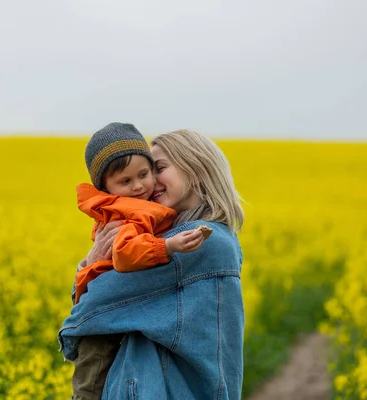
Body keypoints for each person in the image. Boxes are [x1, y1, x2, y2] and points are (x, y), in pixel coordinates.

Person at [59, 129, 246, 399]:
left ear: (194, 165)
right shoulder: (212, 237)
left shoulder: (198, 241)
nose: (148, 183)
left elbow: (94, 303)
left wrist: (91, 263)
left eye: (158, 168)